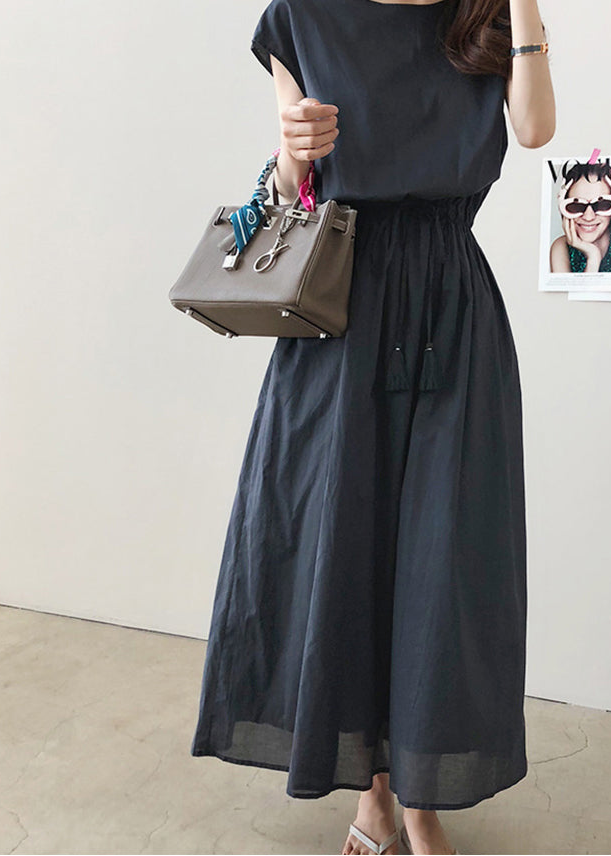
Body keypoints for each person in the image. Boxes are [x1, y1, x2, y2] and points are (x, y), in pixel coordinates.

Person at [190, 0, 556, 853]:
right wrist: (293, 152)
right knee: (345, 551)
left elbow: (534, 129)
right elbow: (288, 191)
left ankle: (420, 800)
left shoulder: (484, 13)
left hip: (453, 314)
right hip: (340, 319)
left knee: (442, 566)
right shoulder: (301, 16)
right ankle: (375, 800)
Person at [550, 161, 611, 274]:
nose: (588, 217)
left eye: (602, 204)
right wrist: (593, 257)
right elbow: (571, 292)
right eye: (576, 206)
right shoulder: (561, 248)